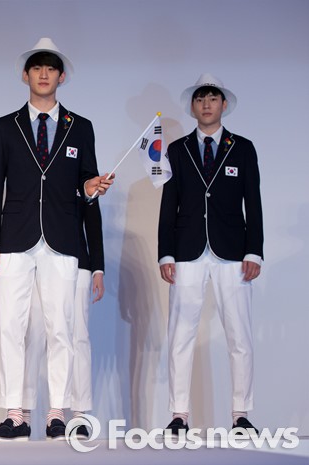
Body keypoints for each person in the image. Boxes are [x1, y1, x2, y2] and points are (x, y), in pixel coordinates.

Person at [0, 38, 113, 442]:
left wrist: (89, 189)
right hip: (14, 238)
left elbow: (87, 187)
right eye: (36, 67)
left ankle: (57, 413)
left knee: (61, 328)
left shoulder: (81, 127)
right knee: (11, 327)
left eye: (50, 68)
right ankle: (15, 415)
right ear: (25, 75)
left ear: (61, 76)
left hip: (63, 238)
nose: (43, 74)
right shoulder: (6, 126)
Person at [158, 73, 263, 436]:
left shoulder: (243, 148)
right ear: (192, 106)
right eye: (200, 99)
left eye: (213, 98)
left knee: (239, 335)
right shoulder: (177, 149)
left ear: (224, 104)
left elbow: (254, 203)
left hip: (233, 252)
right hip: (186, 252)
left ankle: (240, 414)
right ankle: (179, 414)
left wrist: (254, 251)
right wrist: (165, 254)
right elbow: (168, 204)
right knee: (180, 334)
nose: (206, 104)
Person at [23, 192, 104, 440]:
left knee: (78, 338)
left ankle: (78, 416)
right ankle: (23, 415)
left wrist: (98, 268)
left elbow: (92, 221)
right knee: (34, 335)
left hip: (77, 263)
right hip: (36, 261)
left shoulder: (83, 178)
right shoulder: (37, 174)